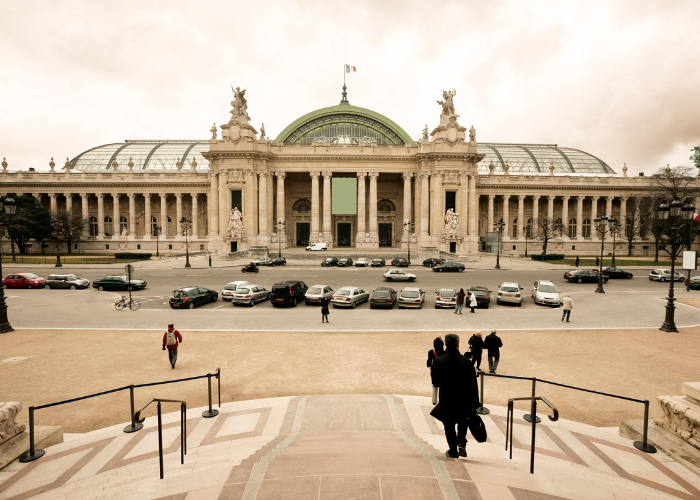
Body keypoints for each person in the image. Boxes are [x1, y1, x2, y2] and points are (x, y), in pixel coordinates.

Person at [432, 334, 480, 458]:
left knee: (449, 425)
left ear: (446, 345)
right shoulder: (467, 362)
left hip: (447, 399)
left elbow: (435, 381)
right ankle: (462, 443)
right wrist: (475, 404)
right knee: (463, 422)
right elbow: (473, 385)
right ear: (458, 344)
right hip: (464, 400)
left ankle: (453, 450)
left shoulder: (439, 361)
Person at [427, 337, 446, 404]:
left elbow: (428, 364)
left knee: (435, 386)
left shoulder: (431, 352)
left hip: (434, 372)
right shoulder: (445, 353)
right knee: (442, 386)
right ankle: (442, 400)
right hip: (442, 372)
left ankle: (434, 401)